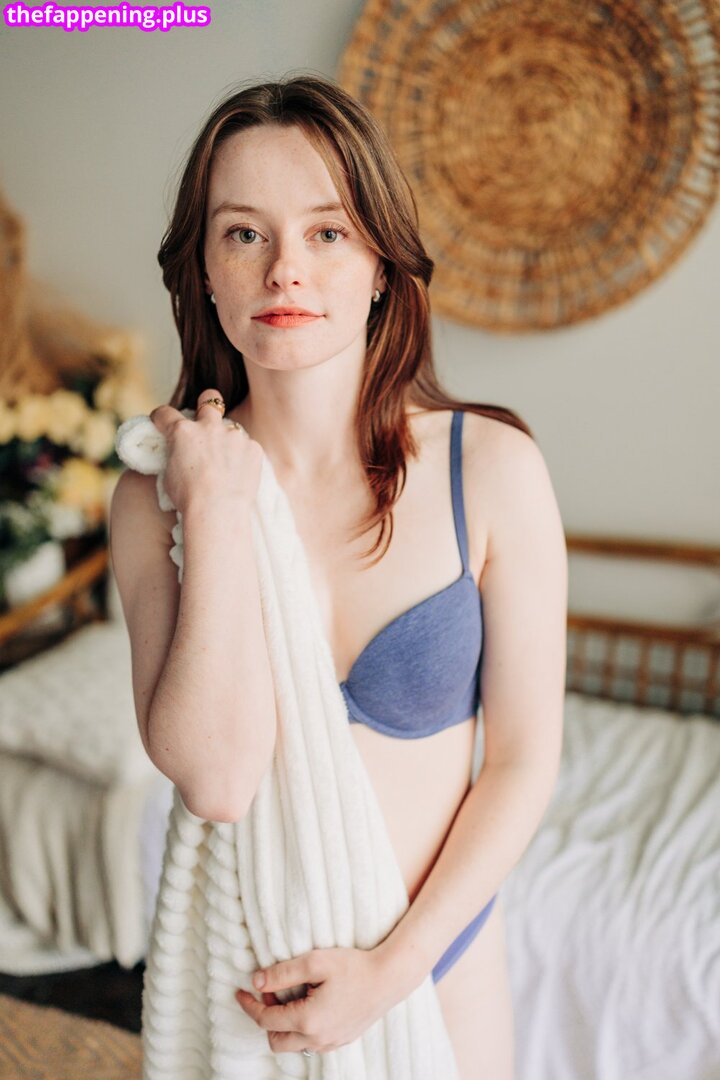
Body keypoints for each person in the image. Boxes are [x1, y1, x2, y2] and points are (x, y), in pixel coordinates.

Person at [109, 73, 567, 1079]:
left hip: (435, 971)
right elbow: (218, 780)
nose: (285, 269)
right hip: (249, 994)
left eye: (327, 232)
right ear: (204, 271)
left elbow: (524, 761)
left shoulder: (490, 469)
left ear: (380, 266)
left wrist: (389, 973)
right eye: (244, 233)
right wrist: (216, 509)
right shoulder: (156, 496)